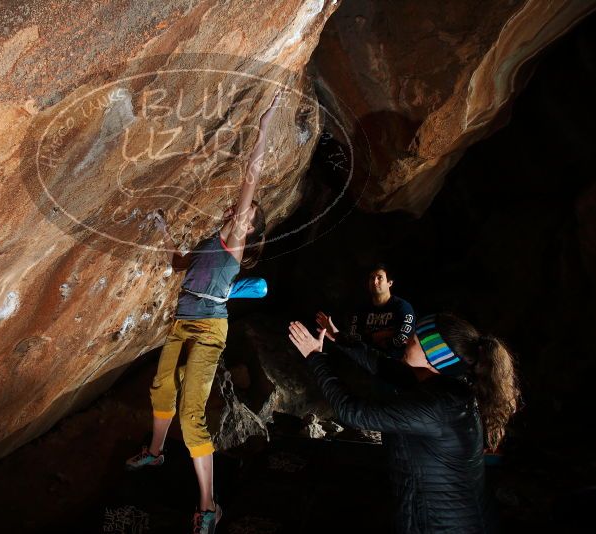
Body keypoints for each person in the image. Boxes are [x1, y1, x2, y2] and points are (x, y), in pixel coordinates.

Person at [126, 91, 281, 534]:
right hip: (183, 320)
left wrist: (266, 122)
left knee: (192, 411)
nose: (241, 213)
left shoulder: (234, 242)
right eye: (242, 213)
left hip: (210, 328)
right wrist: (165, 230)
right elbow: (182, 264)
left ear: (249, 230)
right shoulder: (214, 239)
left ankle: (210, 505)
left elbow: (251, 174)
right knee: (161, 388)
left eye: (249, 216)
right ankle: (155, 452)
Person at [288, 312, 520, 533]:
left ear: (433, 358)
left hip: (447, 526)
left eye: (415, 339)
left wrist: (314, 357)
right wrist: (339, 338)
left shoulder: (438, 407)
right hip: (441, 519)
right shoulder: (444, 383)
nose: (407, 339)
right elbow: (384, 366)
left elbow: (353, 412)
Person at [318, 264, 414, 360]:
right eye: (372, 278)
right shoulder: (361, 309)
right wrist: (385, 334)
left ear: (390, 283)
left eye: (379, 278)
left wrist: (370, 338)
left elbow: (403, 339)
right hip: (365, 362)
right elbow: (354, 339)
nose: (374, 281)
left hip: (394, 363)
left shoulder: (402, 307)